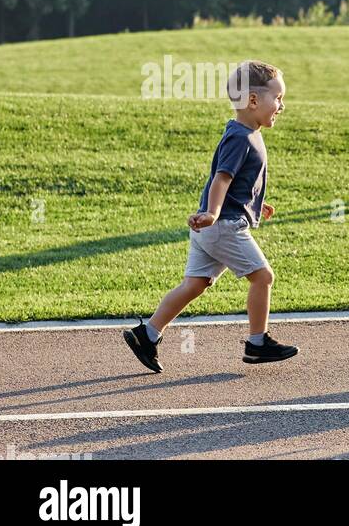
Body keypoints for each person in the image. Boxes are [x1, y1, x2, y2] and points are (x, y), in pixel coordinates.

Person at [122, 60, 299, 373]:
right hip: (222, 227)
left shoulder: (246, 133)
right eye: (279, 98)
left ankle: (147, 335)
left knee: (195, 284)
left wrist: (258, 203)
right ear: (254, 100)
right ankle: (258, 343)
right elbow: (222, 178)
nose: (282, 105)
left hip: (214, 227)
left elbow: (240, 183)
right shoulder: (241, 137)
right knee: (263, 277)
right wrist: (213, 213)